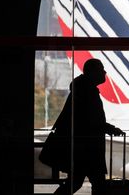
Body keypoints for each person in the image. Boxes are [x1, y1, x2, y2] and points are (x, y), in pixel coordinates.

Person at [39, 58, 124, 195]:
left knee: (77, 182)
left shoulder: (82, 90)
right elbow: (91, 121)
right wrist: (110, 129)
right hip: (87, 149)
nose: (104, 72)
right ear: (92, 73)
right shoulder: (88, 92)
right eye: (101, 69)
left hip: (82, 149)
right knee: (97, 184)